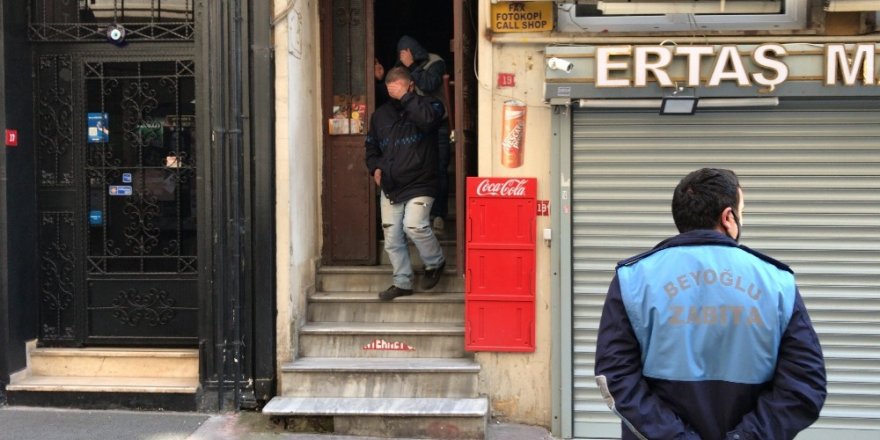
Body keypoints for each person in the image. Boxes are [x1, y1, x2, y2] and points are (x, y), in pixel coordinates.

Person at [594, 168, 826, 440]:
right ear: (728, 218)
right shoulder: (776, 282)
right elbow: (805, 386)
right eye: (743, 211)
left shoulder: (634, 279)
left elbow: (616, 378)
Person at [365, 66, 446, 301]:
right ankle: (402, 282)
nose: (396, 97)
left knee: (415, 226)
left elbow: (429, 122)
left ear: (410, 86)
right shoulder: (380, 115)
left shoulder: (431, 105)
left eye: (400, 91)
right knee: (391, 237)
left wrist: (408, 98)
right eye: (393, 93)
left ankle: (435, 262)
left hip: (422, 181)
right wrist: (375, 167)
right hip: (391, 185)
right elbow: (371, 146)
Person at [375, 35, 450, 231]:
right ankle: (413, 215)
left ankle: (439, 213)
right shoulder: (401, 67)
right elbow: (391, 96)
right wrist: (381, 79)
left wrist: (411, 67)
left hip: (436, 123)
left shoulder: (436, 61)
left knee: (439, 169)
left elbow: (428, 84)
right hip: (409, 126)